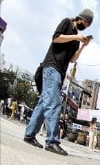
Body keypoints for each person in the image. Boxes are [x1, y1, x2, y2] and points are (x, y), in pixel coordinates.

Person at [23, 9, 94, 156]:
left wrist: (82, 46)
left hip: (60, 72)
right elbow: (56, 38)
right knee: (54, 103)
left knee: (43, 104)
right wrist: (76, 36)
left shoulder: (76, 40)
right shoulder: (67, 22)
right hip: (51, 67)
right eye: (86, 22)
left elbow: (72, 60)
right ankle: (52, 142)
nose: (86, 26)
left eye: (88, 25)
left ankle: (29, 135)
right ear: (80, 18)